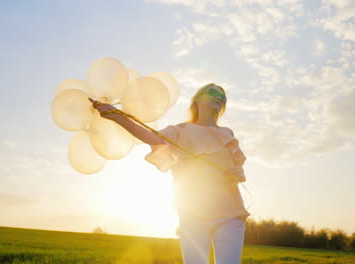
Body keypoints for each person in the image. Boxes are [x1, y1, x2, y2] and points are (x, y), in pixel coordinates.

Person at [89, 83, 250, 264]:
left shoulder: (227, 133)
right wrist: (117, 116)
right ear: (197, 99)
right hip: (193, 214)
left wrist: (235, 174)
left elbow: (236, 170)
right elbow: (150, 137)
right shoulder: (180, 131)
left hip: (230, 215)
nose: (220, 98)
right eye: (213, 93)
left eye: (223, 97)